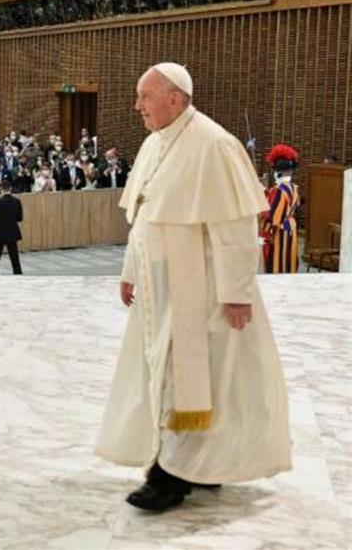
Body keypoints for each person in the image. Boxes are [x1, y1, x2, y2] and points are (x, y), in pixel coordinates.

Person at [95, 63, 290, 511]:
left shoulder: (215, 143)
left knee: (189, 379)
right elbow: (141, 215)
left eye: (144, 96)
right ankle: (202, 463)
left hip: (199, 291)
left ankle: (171, 477)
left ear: (174, 98)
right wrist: (129, 271)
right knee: (175, 378)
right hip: (159, 289)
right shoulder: (153, 144)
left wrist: (237, 291)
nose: (137, 105)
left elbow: (235, 227)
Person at [260, 144, 300, 273]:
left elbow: (273, 217)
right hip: (291, 229)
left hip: (279, 232)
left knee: (278, 264)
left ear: (278, 172)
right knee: (290, 260)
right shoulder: (294, 188)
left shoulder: (278, 191)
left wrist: (264, 233)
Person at [0, 179, 23, 275]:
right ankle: (18, 274)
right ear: (10, 188)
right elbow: (19, 218)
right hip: (12, 231)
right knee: (14, 257)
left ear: (0, 189)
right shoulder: (17, 201)